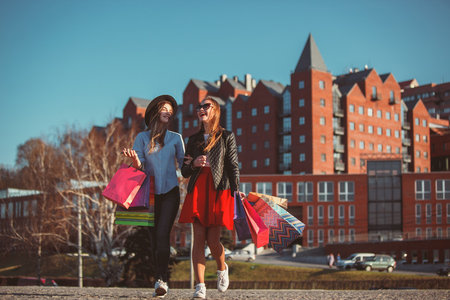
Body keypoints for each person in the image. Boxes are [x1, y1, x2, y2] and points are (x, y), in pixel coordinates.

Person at [178, 96, 242, 299]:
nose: (201, 109)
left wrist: (236, 190)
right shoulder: (192, 140)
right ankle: (200, 286)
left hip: (218, 190)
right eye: (199, 106)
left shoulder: (226, 136)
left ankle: (222, 268)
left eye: (206, 106)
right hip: (197, 190)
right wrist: (194, 163)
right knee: (198, 238)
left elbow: (232, 165)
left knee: (213, 241)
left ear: (215, 111)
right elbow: (185, 171)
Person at [122, 95, 184, 298]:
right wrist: (133, 160)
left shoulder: (176, 138)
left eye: (170, 110)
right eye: (165, 109)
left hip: (169, 193)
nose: (169, 112)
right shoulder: (141, 138)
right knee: (153, 239)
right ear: (156, 112)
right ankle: (160, 277)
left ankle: (162, 279)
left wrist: (194, 162)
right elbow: (138, 166)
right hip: (147, 194)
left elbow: (184, 167)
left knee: (162, 234)